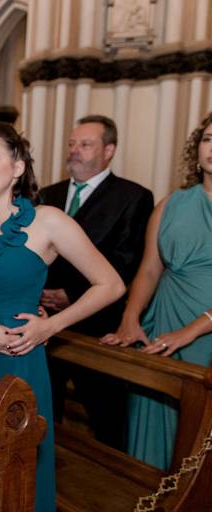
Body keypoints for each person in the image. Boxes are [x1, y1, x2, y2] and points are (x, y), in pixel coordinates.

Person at [0, 122, 125, 511]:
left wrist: (51, 325)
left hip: (17, 360)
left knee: (14, 473)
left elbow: (111, 284)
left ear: (17, 167)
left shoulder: (47, 221)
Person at [101, 112, 212, 470]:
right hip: (163, 321)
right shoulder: (171, 204)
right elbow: (149, 269)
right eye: (208, 139)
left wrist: (189, 332)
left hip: (205, 333)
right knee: (156, 424)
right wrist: (130, 317)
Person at [40, 114, 154, 449]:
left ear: (109, 150)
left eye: (85, 144)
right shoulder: (48, 194)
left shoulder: (132, 196)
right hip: (45, 322)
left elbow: (126, 260)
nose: (74, 150)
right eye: (72, 143)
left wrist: (72, 295)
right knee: (45, 414)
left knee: (107, 421)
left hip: (98, 325)